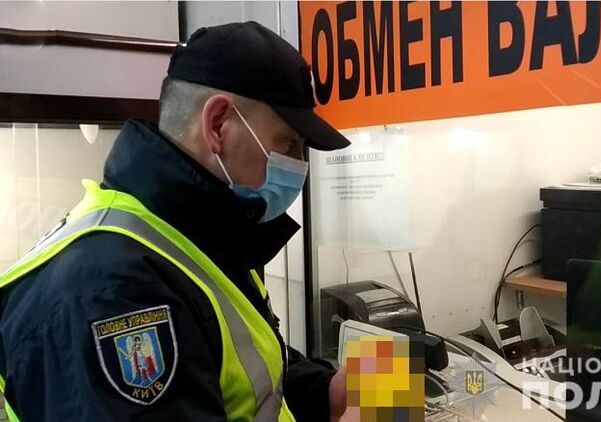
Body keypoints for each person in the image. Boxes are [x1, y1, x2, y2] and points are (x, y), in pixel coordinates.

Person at [0, 21, 349, 422]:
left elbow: (253, 379)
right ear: (217, 124)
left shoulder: (201, 237)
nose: (299, 164)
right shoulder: (111, 293)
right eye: (288, 142)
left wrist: (341, 389)